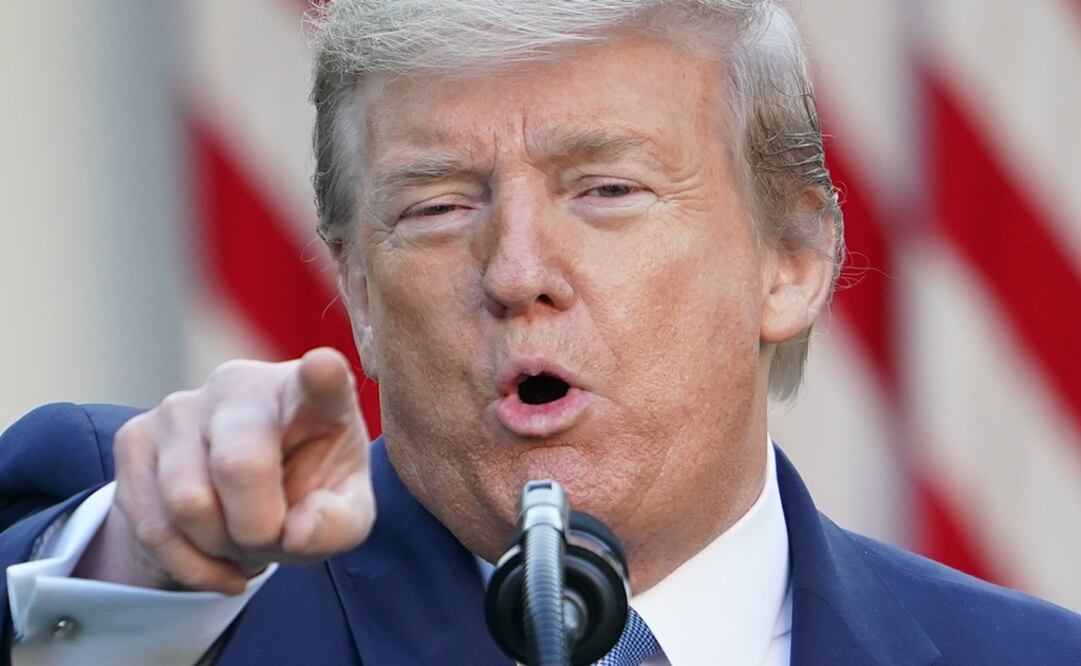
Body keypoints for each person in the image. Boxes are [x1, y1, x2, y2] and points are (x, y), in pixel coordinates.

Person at [2, 1, 1080, 664]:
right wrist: (138, 569)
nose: (516, 272)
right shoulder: (185, 602)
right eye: (435, 207)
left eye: (606, 189)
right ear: (361, 296)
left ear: (790, 260)